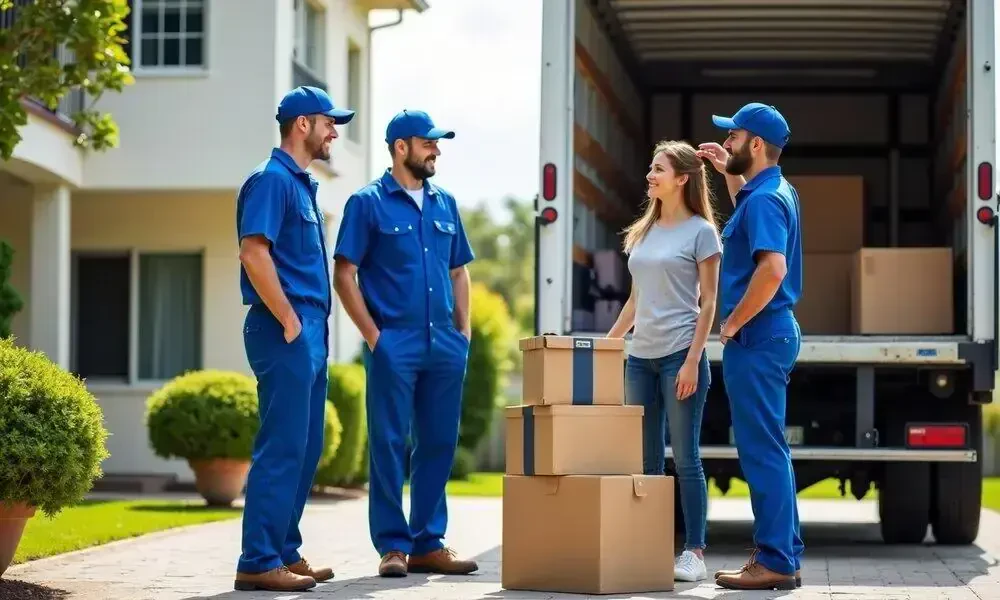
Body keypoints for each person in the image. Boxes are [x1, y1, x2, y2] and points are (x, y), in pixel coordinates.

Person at [333, 109, 479, 578]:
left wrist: (465, 332)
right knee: (390, 444)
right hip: (394, 342)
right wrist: (375, 338)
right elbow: (345, 275)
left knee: (438, 442)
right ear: (401, 147)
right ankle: (393, 547)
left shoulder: (446, 203)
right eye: (428, 143)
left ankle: (428, 543)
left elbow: (459, 271)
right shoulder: (366, 203)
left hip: (445, 345)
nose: (436, 150)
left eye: (437, 143)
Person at [232, 85, 352, 592]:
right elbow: (253, 253)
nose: (334, 131)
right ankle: (257, 562)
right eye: (329, 122)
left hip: (306, 329)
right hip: (284, 327)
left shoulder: (302, 185)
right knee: (282, 446)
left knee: (305, 448)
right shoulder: (270, 180)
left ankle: (284, 550)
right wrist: (288, 319)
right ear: (302, 124)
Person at [696, 102, 804, 591]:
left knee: (762, 451)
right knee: (768, 449)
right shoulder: (768, 190)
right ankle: (782, 555)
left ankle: (776, 560)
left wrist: (732, 322)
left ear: (755, 145)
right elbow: (748, 221)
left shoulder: (764, 200)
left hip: (757, 336)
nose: (729, 144)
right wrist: (728, 174)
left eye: (735, 138)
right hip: (769, 334)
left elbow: (773, 269)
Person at [606, 140, 722, 583]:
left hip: (679, 356)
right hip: (641, 358)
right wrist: (609, 344)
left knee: (686, 457)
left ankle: (694, 550)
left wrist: (694, 359)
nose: (650, 175)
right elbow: (635, 301)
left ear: (682, 179)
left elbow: (709, 303)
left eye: (658, 169)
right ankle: (651, 547)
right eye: (650, 168)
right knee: (646, 460)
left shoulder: (701, 232)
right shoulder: (645, 231)